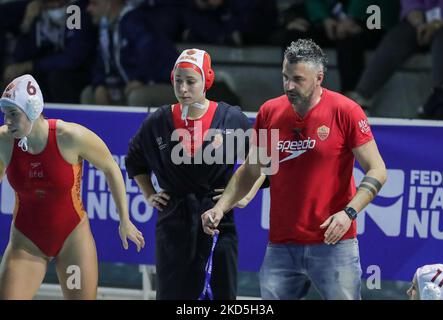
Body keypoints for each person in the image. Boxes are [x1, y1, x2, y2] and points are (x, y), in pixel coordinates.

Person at [201, 39, 387, 300]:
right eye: (285, 77)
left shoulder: (346, 111)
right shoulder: (269, 112)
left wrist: (348, 213)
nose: (289, 86)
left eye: (298, 79)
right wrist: (220, 208)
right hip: (281, 245)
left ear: (319, 77)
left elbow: (377, 170)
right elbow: (251, 170)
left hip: (335, 245)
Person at [125, 48, 266, 300]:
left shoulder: (231, 118)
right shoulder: (158, 121)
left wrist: (244, 196)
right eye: (178, 81)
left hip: (217, 220)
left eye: (191, 81)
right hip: (173, 223)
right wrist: (149, 193)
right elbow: (135, 161)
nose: (183, 88)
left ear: (206, 81)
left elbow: (261, 163)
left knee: (220, 295)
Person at [0, 74, 144, 299]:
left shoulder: (69, 136)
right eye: (5, 114)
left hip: (72, 241)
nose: (7, 121)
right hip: (26, 243)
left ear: (33, 110)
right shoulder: (4, 140)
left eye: (13, 114)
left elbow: (111, 168)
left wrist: (124, 220)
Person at [82, 0, 177, 107]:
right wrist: (99, 84)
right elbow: (100, 62)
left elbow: (149, 54)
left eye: (94, 4)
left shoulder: (136, 21)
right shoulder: (106, 29)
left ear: (110, 3)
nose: (88, 9)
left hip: (163, 83)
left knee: (137, 96)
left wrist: (140, 79)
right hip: (129, 84)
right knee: (89, 94)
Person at [3, 0, 96, 103]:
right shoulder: (37, 14)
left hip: (77, 71)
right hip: (46, 68)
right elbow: (20, 57)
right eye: (49, 4)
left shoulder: (76, 11)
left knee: (58, 77)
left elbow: (73, 58)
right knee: (24, 78)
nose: (55, 5)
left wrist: (31, 65)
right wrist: (27, 23)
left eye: (59, 3)